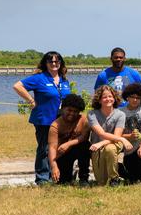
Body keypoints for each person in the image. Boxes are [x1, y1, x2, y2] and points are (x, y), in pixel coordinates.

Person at [13, 51, 72, 185]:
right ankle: (43, 178)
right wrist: (31, 100)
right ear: (45, 63)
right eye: (50, 61)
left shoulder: (64, 79)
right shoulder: (39, 78)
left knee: (59, 148)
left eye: (57, 61)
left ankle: (57, 176)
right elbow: (17, 86)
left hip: (61, 120)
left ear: (61, 63)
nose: (54, 64)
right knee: (45, 148)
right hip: (44, 119)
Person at [86, 85, 129, 186]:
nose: (108, 99)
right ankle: (119, 168)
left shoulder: (120, 115)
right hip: (96, 146)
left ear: (114, 98)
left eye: (110, 96)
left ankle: (114, 179)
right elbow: (101, 133)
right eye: (104, 97)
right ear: (99, 100)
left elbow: (116, 136)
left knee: (109, 148)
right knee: (101, 182)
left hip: (114, 143)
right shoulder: (92, 114)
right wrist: (123, 138)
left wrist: (102, 143)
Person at [47, 93, 90, 185]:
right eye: (69, 110)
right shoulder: (55, 126)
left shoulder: (84, 120)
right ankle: (70, 175)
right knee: (63, 182)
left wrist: (68, 144)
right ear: (62, 109)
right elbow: (52, 148)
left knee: (85, 146)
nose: (72, 113)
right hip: (62, 154)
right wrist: (54, 166)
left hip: (77, 148)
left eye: (75, 111)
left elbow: (84, 137)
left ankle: (84, 178)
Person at [117, 83, 141, 183]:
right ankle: (132, 177)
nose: (135, 100)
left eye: (138, 98)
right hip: (129, 143)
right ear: (127, 97)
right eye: (132, 97)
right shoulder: (120, 111)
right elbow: (118, 134)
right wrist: (129, 136)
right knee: (129, 167)